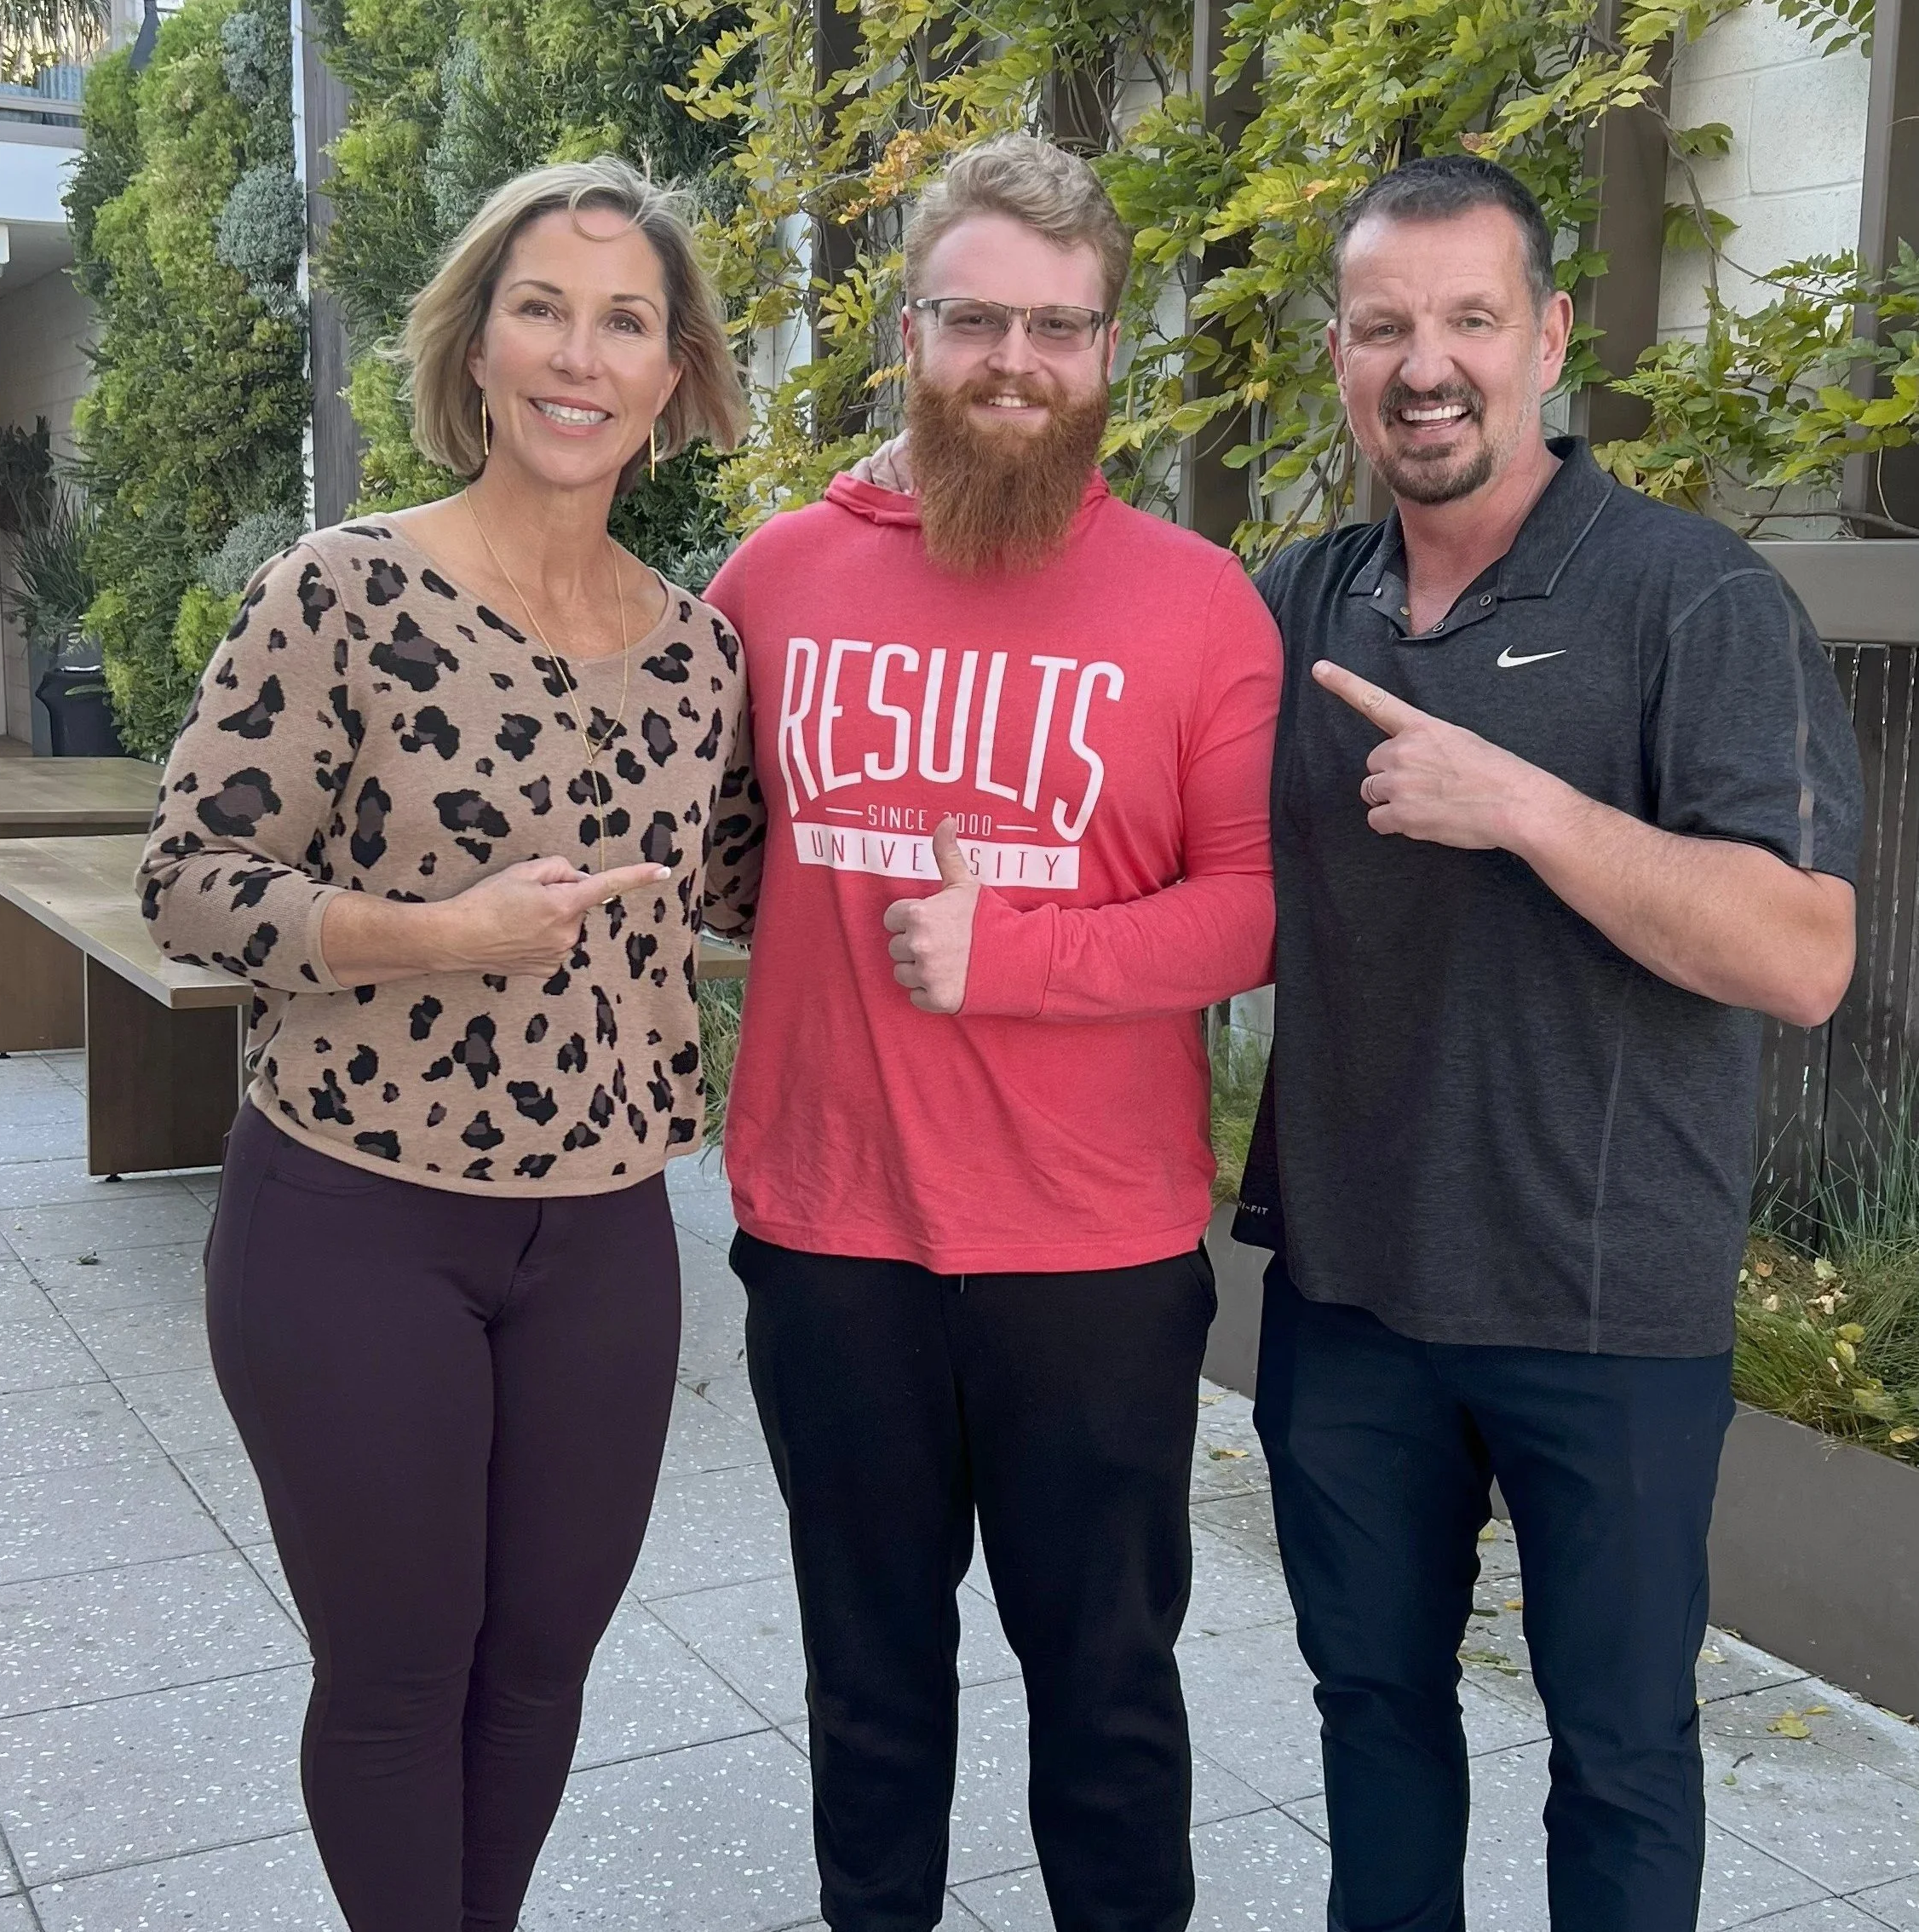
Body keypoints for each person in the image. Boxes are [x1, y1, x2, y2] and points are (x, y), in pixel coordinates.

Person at [1230, 155, 1863, 1932]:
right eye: (1382, 328)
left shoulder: (1695, 598)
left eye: (1469, 321)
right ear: (1343, 355)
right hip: (1352, 1292)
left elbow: (1804, 954)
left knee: (1621, 1750)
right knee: (1373, 1716)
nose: (1425, 366)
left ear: (1549, 337)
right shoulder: (1299, 600)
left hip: (1604, 1304)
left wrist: (1524, 803)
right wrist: (931, 489)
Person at [137, 157, 752, 1932]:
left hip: (606, 1233)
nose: (581, 353)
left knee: (538, 1672)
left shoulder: (703, 653)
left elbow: (739, 883)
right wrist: (434, 936)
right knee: (401, 1678)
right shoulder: (341, 594)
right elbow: (190, 885)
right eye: (542, 309)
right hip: (353, 1217)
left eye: (625, 320)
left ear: (671, 373)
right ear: (478, 347)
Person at [698, 135, 1281, 1931]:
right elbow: (708, 865)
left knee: (1106, 1697)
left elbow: (1256, 913)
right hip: (830, 1237)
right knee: (869, 1695)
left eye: (1059, 324)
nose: (1014, 361)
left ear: (1111, 352)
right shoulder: (772, 581)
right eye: (975, 319)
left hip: (1095, 1257)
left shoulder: (1196, 603)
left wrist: (1017, 957)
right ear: (911, 332)